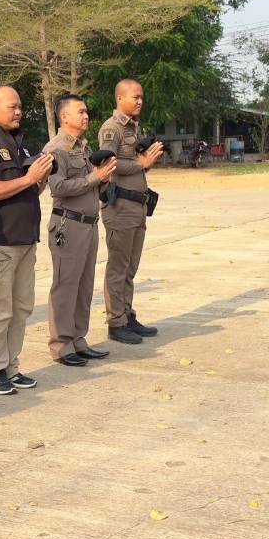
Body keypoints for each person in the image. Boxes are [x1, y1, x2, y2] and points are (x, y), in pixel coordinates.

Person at [0, 84, 52, 395]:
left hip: (24, 239)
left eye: (19, 106)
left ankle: (11, 366)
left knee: (21, 308)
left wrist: (39, 179)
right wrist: (28, 178)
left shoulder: (19, 144)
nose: (18, 112)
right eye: (11, 107)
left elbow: (29, 190)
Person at [44, 94, 116, 366]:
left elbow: (92, 184)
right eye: (80, 112)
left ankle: (78, 339)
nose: (86, 116)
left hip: (89, 224)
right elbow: (58, 187)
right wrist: (94, 178)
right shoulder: (56, 149)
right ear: (64, 117)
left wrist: (104, 179)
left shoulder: (84, 147)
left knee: (84, 286)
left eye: (86, 112)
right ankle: (61, 345)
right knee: (65, 286)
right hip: (68, 224)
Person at [101, 78, 165, 345]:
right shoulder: (111, 128)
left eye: (141, 97)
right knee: (118, 268)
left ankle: (127, 315)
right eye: (135, 97)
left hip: (137, 206)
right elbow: (108, 164)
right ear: (120, 99)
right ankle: (116, 322)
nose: (140, 101)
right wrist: (141, 162)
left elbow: (138, 163)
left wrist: (147, 161)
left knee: (130, 267)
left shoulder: (134, 127)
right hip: (120, 207)